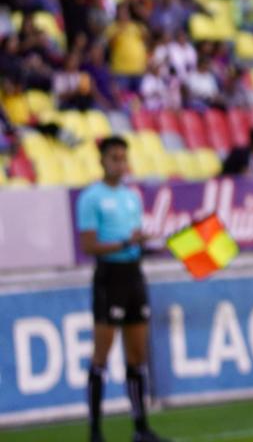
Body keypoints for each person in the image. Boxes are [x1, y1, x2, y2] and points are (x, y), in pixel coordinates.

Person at [75, 137, 169, 442]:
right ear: (102, 160)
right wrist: (126, 243)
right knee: (101, 355)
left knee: (137, 355)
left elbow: (133, 240)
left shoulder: (132, 197)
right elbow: (89, 245)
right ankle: (95, 431)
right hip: (109, 277)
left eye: (123, 158)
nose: (120, 163)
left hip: (133, 275)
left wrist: (144, 245)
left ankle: (141, 428)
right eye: (114, 157)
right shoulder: (91, 198)